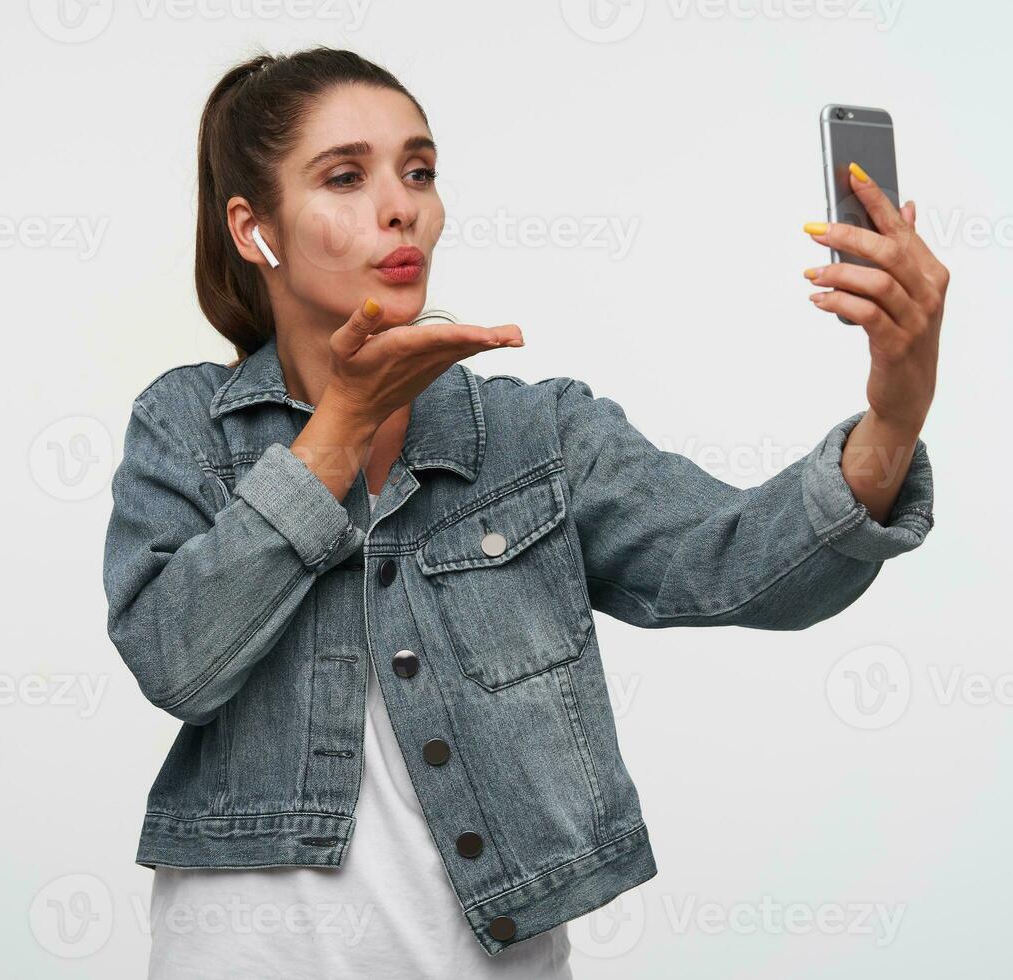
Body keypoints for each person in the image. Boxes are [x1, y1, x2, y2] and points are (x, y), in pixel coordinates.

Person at [102, 45, 946, 979]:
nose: (400, 205)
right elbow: (175, 663)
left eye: (418, 171)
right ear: (251, 227)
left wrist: (897, 408)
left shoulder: (536, 434)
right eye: (347, 176)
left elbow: (744, 563)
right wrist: (338, 428)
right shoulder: (183, 425)